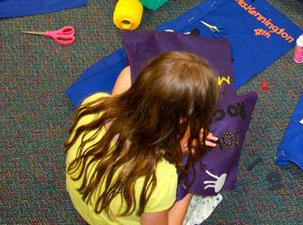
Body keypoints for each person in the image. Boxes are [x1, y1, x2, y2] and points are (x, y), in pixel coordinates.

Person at [65, 51, 220, 225]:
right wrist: (190, 168)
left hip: (83, 197)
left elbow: (127, 75)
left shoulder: (94, 103)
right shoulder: (160, 176)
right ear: (181, 122)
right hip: (110, 219)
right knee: (193, 195)